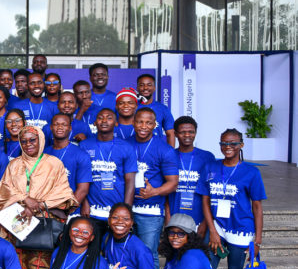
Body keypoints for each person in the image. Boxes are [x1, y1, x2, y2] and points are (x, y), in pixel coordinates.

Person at [0, 125, 77, 269]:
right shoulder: (14, 164)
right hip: (17, 226)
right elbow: (2, 193)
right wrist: (25, 199)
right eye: (23, 141)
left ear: (40, 140)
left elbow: (65, 194)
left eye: (33, 140)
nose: (28, 144)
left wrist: (37, 205)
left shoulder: (54, 164)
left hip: (45, 228)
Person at [199, 128, 266, 269]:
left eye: (233, 144)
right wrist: (212, 230)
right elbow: (205, 201)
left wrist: (258, 240)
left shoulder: (251, 172)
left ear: (241, 145)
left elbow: (257, 207)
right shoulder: (211, 167)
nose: (228, 147)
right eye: (224, 143)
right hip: (217, 227)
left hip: (241, 231)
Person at [131, 107, 179, 254]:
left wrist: (154, 192)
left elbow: (173, 182)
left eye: (148, 123)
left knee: (148, 254)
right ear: (133, 122)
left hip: (150, 212)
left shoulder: (165, 149)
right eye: (140, 122)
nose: (143, 126)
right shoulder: (124, 144)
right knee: (127, 252)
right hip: (126, 208)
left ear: (154, 125)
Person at [79, 108, 137, 227]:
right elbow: (78, 179)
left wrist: (126, 211)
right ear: (95, 123)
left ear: (116, 123)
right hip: (91, 211)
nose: (104, 121)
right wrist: (83, 203)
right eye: (100, 118)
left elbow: (130, 182)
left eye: (109, 118)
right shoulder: (84, 145)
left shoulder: (126, 147)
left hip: (116, 214)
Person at [168, 116, 215, 232]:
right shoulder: (168, 156)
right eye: (183, 132)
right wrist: (168, 220)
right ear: (175, 134)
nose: (187, 135)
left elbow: (211, 194)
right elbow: (165, 195)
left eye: (191, 132)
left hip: (200, 217)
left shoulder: (207, 157)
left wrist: (205, 224)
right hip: (175, 218)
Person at [44, 114, 92, 211]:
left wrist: (65, 211)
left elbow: (82, 190)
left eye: (64, 124)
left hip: (69, 213)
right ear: (51, 127)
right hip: (46, 211)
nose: (60, 127)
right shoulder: (44, 153)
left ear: (70, 128)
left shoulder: (81, 155)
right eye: (56, 124)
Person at [136, 73, 175, 146]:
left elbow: (170, 134)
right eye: (142, 85)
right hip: (134, 150)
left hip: (156, 151)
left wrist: (170, 155)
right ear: (137, 88)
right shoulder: (132, 108)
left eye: (149, 85)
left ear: (154, 88)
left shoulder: (162, 108)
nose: (145, 88)